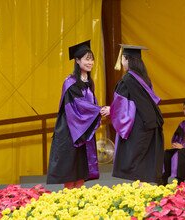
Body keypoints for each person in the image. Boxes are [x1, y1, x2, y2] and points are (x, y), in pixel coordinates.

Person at [100, 44, 164, 184]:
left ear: (127, 59)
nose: (122, 62)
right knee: (145, 163)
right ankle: (145, 195)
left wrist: (111, 110)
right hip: (151, 124)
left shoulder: (127, 80)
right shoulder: (145, 79)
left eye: (122, 59)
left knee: (136, 165)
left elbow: (122, 105)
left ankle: (138, 197)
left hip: (138, 127)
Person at [47, 40, 102, 189]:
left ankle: (79, 203)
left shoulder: (89, 82)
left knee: (81, 170)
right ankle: (68, 202)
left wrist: (96, 110)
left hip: (83, 130)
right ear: (77, 61)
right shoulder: (70, 82)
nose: (90, 62)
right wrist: (98, 110)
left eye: (91, 59)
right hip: (71, 130)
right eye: (86, 59)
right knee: (70, 171)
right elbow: (78, 105)